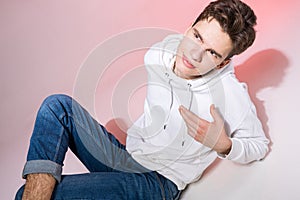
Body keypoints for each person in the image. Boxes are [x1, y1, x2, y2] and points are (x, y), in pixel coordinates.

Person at [15, 0, 269, 199]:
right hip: (125, 157)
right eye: (197, 36)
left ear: (223, 62)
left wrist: (223, 144)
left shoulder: (230, 93)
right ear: (189, 27)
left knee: (25, 195)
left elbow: (258, 145)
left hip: (157, 182)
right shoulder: (159, 54)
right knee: (57, 106)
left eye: (211, 52)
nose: (194, 54)